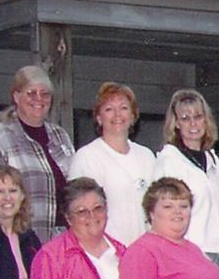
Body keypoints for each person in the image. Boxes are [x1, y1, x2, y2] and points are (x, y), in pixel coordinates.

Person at [0, 64, 76, 235]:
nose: (39, 99)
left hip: (61, 241)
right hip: (19, 241)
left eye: (45, 94)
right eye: (31, 93)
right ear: (16, 96)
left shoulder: (60, 136)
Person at [68, 82, 158, 245]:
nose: (117, 115)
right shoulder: (87, 157)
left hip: (144, 252)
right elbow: (79, 213)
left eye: (123, 108)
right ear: (98, 118)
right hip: (106, 252)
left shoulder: (146, 156)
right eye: (109, 109)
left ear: (133, 116)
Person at [153, 89, 219, 263]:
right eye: (185, 118)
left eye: (198, 117)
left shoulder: (213, 160)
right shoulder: (168, 161)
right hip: (188, 256)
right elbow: (159, 215)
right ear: (176, 124)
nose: (193, 124)